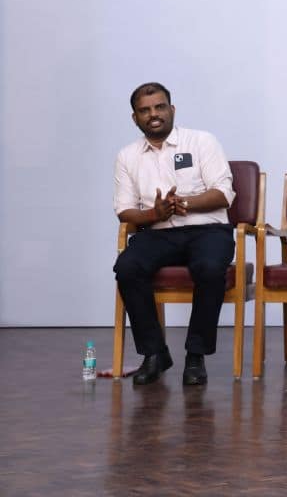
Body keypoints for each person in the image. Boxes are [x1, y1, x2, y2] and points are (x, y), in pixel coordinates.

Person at [113, 82, 236, 385]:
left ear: (172, 109)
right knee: (127, 267)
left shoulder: (202, 141)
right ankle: (155, 354)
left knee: (209, 268)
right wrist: (154, 215)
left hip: (207, 231)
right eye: (145, 110)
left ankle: (196, 356)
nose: (153, 114)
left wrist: (182, 204)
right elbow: (125, 211)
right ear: (135, 118)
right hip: (157, 233)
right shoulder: (127, 156)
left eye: (159, 107)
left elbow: (223, 194)